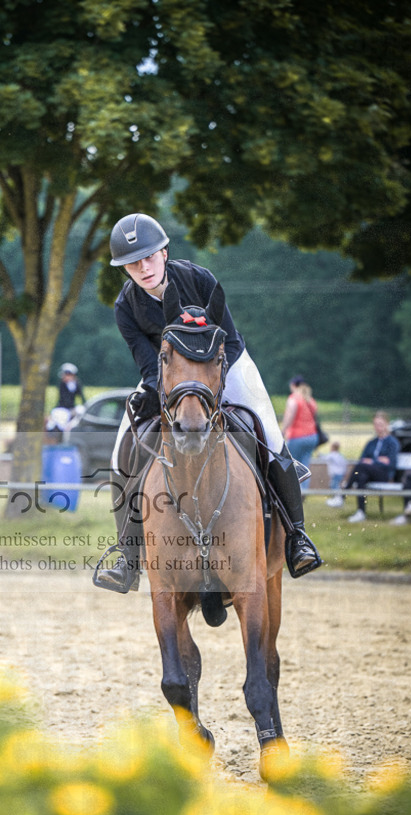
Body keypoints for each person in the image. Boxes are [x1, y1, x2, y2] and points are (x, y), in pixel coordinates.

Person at [93, 212, 322, 593]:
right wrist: (169, 392)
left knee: (268, 429)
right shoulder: (126, 307)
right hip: (169, 378)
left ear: (164, 253)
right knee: (123, 446)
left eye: (149, 257)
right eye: (133, 262)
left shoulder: (198, 279)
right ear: (124, 268)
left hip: (224, 365)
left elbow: (228, 341)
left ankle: (297, 537)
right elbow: (149, 364)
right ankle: (126, 555)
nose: (143, 267)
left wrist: (211, 384)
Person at [343, 411, 400, 523]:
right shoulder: (371, 443)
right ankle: (361, 512)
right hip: (369, 473)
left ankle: (343, 494)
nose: (378, 427)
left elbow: (390, 463)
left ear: (386, 424)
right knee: (361, 476)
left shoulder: (392, 443)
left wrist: (372, 461)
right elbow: (362, 459)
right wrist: (379, 460)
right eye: (376, 424)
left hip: (384, 474)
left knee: (362, 468)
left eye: (380, 424)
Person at [281, 376, 319, 493]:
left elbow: (289, 417)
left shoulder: (293, 399)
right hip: (312, 437)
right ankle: (303, 491)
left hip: (297, 436)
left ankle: (292, 491)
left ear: (293, 385)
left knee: (292, 465)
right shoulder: (310, 399)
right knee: (305, 465)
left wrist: (283, 431)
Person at [46, 362, 86, 432]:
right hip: (63, 408)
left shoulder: (76, 384)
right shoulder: (62, 384)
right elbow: (65, 399)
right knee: (61, 419)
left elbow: (81, 397)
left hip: (72, 408)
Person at [325, 441, 348, 507]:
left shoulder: (332, 455)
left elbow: (325, 458)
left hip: (335, 474)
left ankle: (337, 499)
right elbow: (344, 464)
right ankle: (337, 499)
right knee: (337, 485)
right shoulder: (340, 456)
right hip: (341, 473)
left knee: (334, 486)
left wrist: (319, 455)